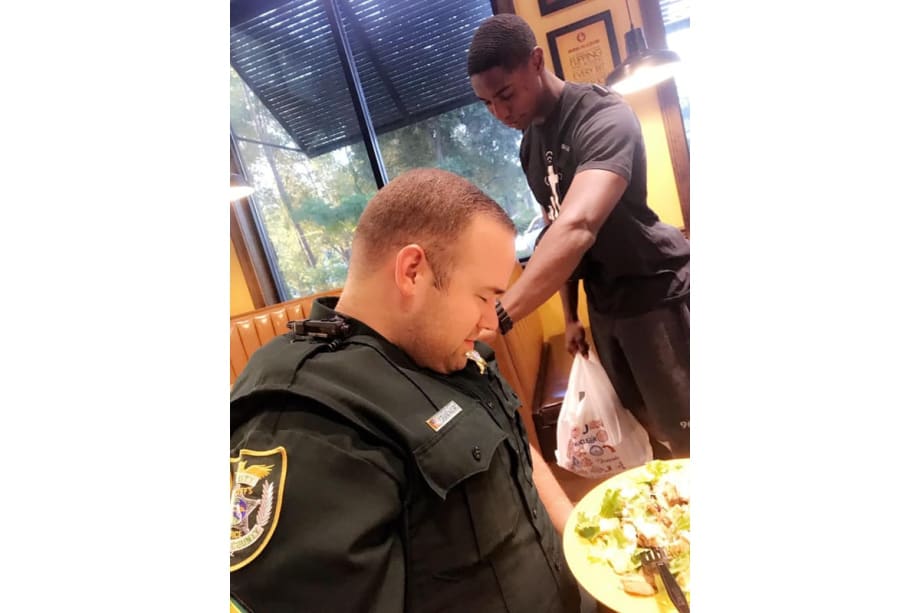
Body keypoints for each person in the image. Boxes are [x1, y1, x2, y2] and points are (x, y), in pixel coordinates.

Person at [229, 168, 585, 612]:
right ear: (413, 272)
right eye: (482, 297)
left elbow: (513, 445)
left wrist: (582, 543)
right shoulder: (308, 417)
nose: (490, 323)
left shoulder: (446, 348)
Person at [467, 14, 690, 459]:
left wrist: (501, 315)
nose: (500, 113)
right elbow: (556, 227)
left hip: (654, 293)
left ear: (536, 61)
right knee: (642, 430)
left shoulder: (603, 115)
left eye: (505, 95)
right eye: (488, 103)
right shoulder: (529, 145)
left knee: (686, 432)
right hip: (605, 305)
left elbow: (579, 225)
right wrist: (571, 316)